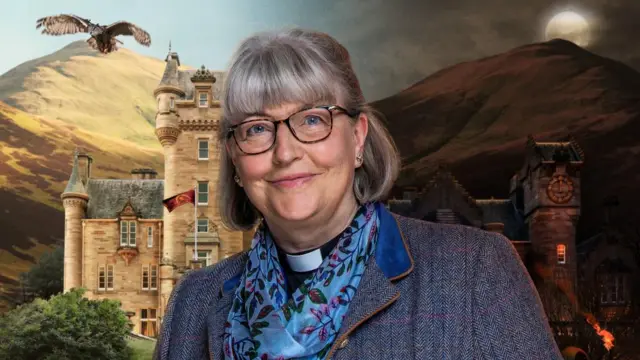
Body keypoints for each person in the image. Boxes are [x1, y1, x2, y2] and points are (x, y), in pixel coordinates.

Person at [153, 28, 563, 360]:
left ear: (358, 140)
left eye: (312, 120)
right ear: (236, 160)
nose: (285, 152)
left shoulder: (475, 272)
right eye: (258, 128)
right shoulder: (195, 302)